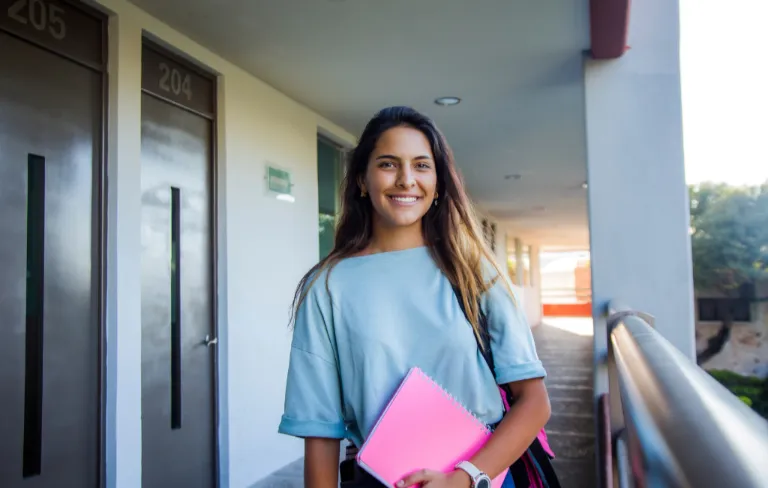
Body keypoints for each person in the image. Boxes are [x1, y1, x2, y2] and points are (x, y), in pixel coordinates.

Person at [278, 106, 551, 488]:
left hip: (481, 477)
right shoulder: (327, 288)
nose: (406, 179)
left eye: (421, 165)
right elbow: (320, 433)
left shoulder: (474, 272)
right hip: (381, 480)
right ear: (362, 179)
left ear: (438, 183)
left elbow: (534, 402)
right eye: (388, 164)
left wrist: (463, 478)